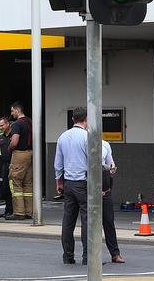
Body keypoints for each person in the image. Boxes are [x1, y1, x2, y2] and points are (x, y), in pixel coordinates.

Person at [54, 107, 88, 265]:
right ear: (85, 119)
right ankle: (88, 256)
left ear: (73, 119)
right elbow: (93, 161)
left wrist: (59, 182)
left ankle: (68, 256)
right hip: (84, 183)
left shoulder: (63, 137)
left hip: (68, 183)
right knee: (88, 220)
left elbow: (58, 163)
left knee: (68, 221)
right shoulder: (87, 137)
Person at [6, 101, 33, 221]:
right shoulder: (30, 121)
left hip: (20, 154)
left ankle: (19, 212)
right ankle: (29, 211)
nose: (12, 114)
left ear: (17, 110)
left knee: (15, 181)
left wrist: (9, 148)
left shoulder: (17, 124)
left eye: (12, 111)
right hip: (31, 154)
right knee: (27, 183)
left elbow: (15, 141)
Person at [102, 139, 125, 264]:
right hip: (87, 187)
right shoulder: (83, 143)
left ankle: (115, 254)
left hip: (104, 188)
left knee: (109, 222)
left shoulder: (105, 145)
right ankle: (88, 255)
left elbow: (111, 164)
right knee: (88, 223)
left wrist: (111, 170)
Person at [0, 117, 13, 218]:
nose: (0, 127)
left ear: (7, 124)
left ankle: (13, 211)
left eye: (2, 125)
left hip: (13, 164)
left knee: (13, 189)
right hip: (4, 165)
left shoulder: (14, 136)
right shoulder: (0, 137)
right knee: (5, 188)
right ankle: (7, 210)